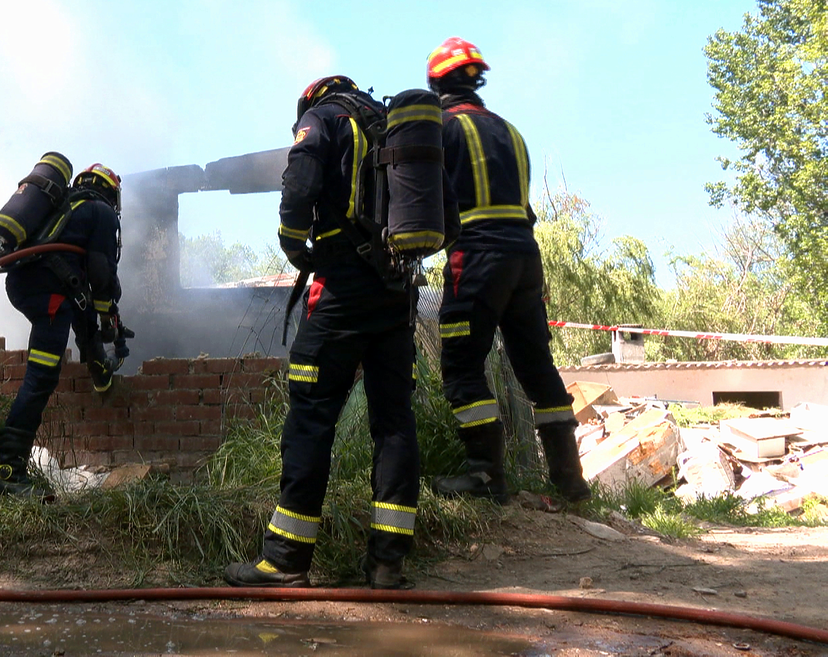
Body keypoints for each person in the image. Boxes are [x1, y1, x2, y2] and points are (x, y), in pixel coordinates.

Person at [224, 76, 447, 589]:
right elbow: (444, 216)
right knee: (394, 423)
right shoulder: (394, 127)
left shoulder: (323, 118)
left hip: (341, 293)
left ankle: (285, 561)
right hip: (397, 295)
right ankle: (388, 564)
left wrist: (293, 243)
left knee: (310, 418)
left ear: (309, 99)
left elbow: (299, 186)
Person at [426, 37, 591, 505]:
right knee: (538, 368)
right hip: (525, 260)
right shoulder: (511, 131)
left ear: (436, 82)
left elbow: (427, 202)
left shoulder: (443, 128)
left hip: (477, 259)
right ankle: (571, 483)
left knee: (461, 367)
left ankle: (485, 477)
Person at [0, 163, 126, 499]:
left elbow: (83, 307)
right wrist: (111, 319)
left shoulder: (65, 211)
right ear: (109, 192)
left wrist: (100, 368)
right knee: (42, 376)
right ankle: (8, 470)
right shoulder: (100, 212)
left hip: (34, 285)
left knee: (74, 311)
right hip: (50, 292)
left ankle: (8, 466)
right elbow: (102, 277)